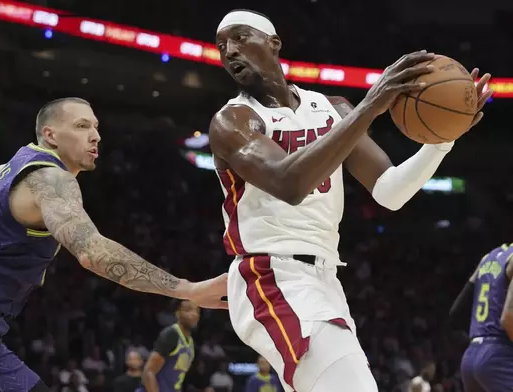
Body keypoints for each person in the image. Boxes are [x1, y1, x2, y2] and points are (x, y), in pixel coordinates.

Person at [209, 9, 493, 392]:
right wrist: (370, 106)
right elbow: (288, 183)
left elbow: (390, 192)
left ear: (273, 44)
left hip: (325, 278)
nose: (230, 51)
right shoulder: (233, 121)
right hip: (271, 278)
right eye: (222, 45)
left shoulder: (332, 109)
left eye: (241, 37)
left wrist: (442, 141)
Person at [0, 97, 227, 392]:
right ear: (51, 135)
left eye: (96, 127)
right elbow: (92, 253)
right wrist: (189, 290)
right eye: (82, 126)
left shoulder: (21, 163)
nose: (96, 135)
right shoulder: (52, 178)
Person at [450, 243, 513, 391]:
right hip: (499, 355)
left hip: (471, 355)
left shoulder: (488, 257)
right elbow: (508, 317)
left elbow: (456, 312)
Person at [139, 300, 199, 392]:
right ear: (177, 313)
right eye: (188, 310)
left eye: (197, 311)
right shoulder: (171, 335)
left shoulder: (190, 342)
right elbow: (148, 372)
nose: (194, 314)